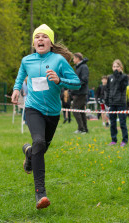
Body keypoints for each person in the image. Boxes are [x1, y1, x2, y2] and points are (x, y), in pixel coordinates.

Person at [11, 24, 81, 209]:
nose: (40, 39)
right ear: (34, 42)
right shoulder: (27, 61)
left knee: (40, 148)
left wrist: (59, 80)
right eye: (37, 37)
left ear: (50, 42)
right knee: (39, 143)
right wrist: (16, 90)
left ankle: (29, 153)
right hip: (33, 109)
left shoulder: (58, 61)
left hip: (53, 112)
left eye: (44, 37)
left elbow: (77, 83)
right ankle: (40, 194)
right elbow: (20, 77)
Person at [105, 59, 129, 147]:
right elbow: (107, 89)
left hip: (121, 103)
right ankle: (113, 139)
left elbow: (123, 87)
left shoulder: (124, 77)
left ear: (121, 67)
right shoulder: (110, 77)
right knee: (113, 123)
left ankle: (124, 140)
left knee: (122, 122)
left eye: (117, 66)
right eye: (114, 66)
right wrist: (106, 99)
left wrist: (118, 76)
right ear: (112, 67)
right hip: (112, 103)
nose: (115, 68)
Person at [71, 52, 89, 134]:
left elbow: (84, 80)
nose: (73, 60)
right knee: (81, 111)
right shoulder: (79, 67)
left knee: (75, 109)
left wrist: (76, 86)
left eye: (74, 58)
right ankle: (84, 129)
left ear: (78, 58)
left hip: (81, 92)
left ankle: (81, 128)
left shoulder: (83, 67)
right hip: (78, 92)